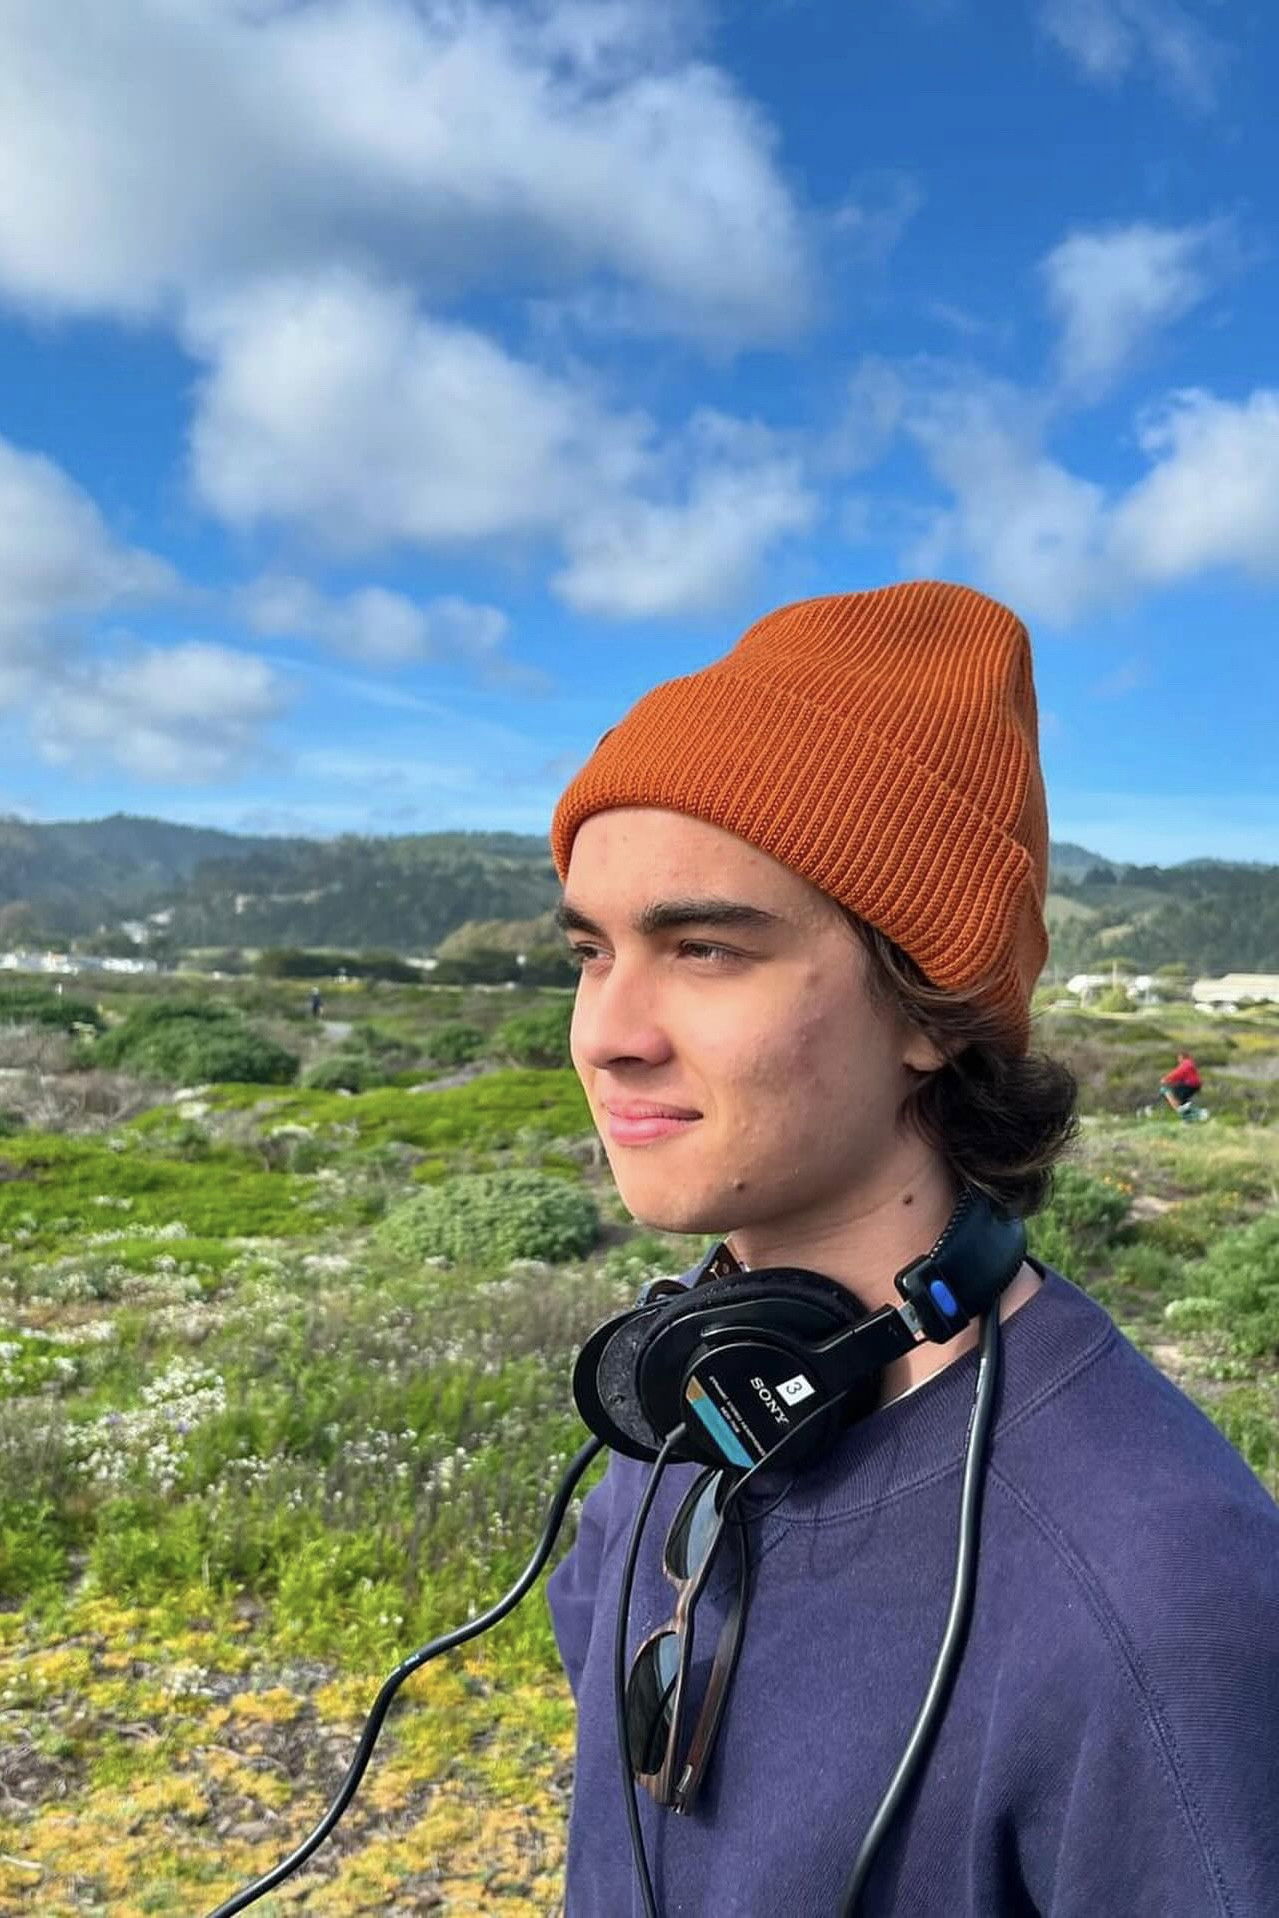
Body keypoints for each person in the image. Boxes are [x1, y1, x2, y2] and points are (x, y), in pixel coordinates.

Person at [543, 582, 1279, 1916]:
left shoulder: (1162, 1591)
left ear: (930, 1006)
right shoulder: (686, 1410)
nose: (606, 1033)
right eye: (590, 953)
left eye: (704, 948)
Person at [1160, 1050, 1203, 1119]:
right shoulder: (1190, 1063)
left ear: (1182, 1057)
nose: (1178, 1060)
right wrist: (1170, 1080)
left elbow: (1178, 1073)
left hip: (1190, 1085)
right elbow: (1181, 1076)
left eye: (1179, 1058)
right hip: (1194, 1085)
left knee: (1172, 1093)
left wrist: (1166, 1079)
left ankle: (1193, 1112)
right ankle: (1189, 1116)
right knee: (1183, 1101)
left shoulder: (1186, 1063)